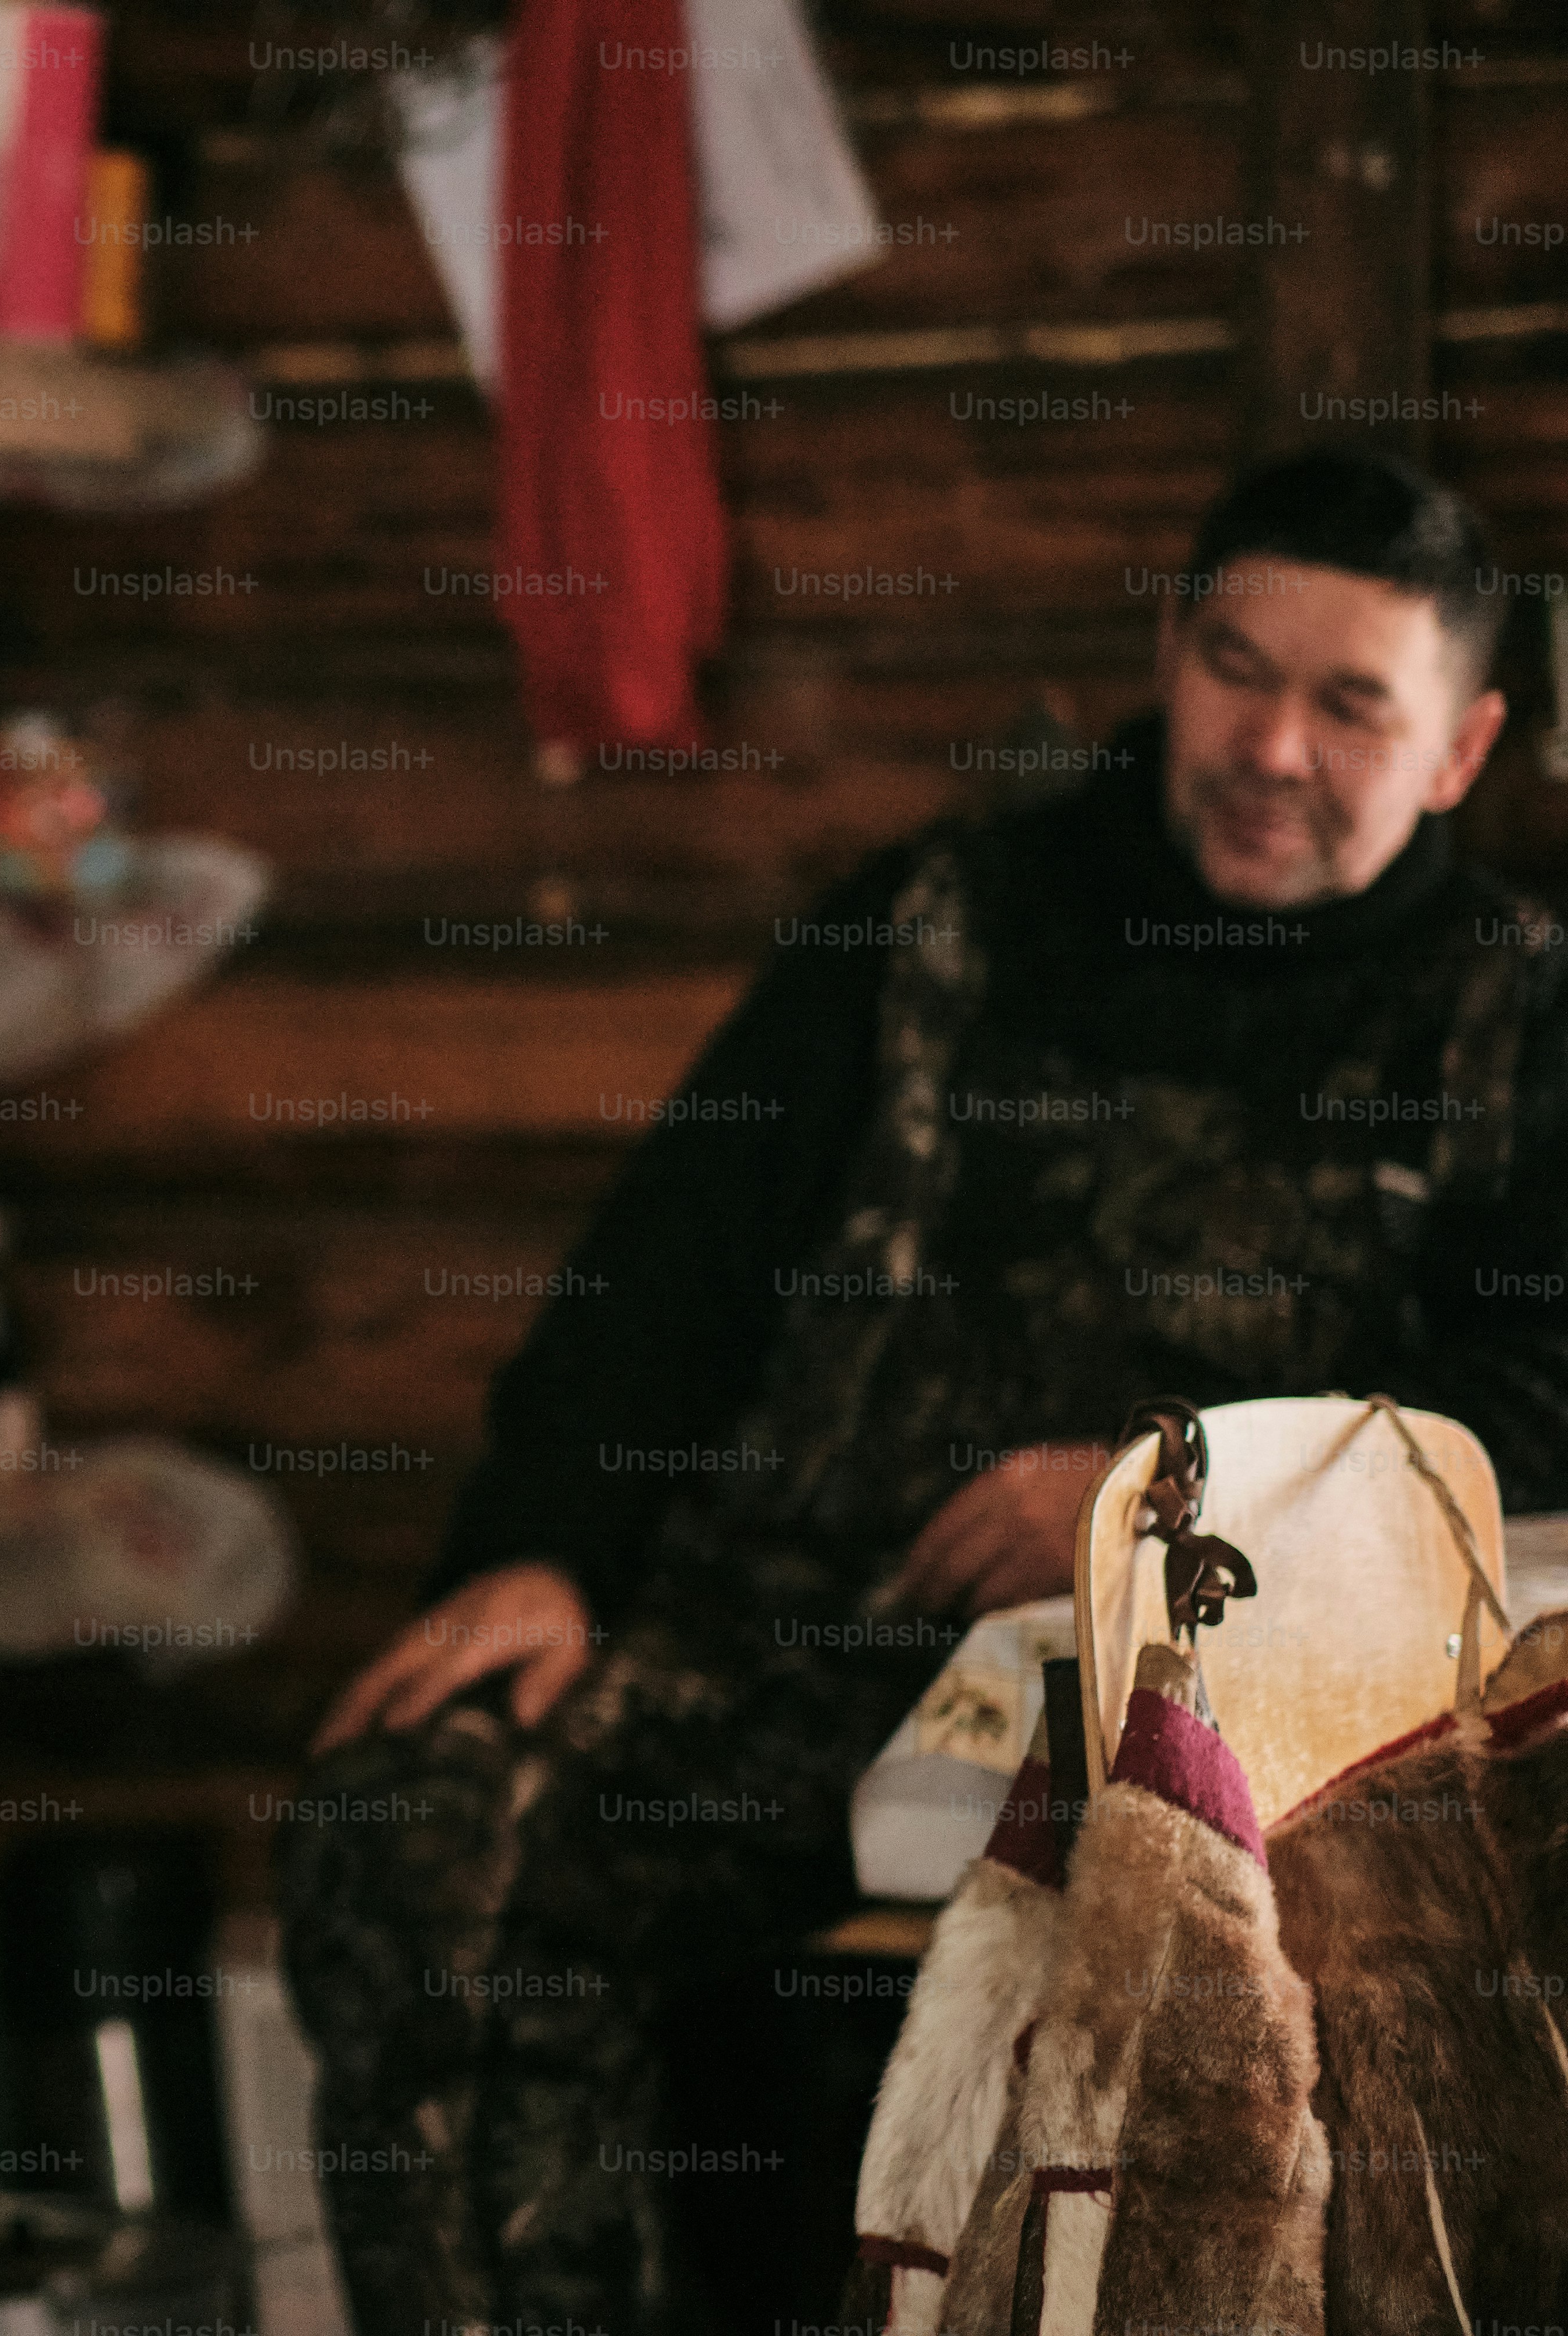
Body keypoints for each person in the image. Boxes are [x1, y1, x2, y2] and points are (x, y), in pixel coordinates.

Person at [276, 444, 1568, 2330]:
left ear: (1460, 750)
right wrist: (541, 1547)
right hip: (795, 1634)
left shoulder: (1519, 1010)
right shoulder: (938, 916)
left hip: (1197, 1717)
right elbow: (669, 1271)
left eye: (1350, 705)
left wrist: (1155, 1492)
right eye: (1235, 668)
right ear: (1168, 649)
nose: (1273, 747)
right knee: (410, 1839)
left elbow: (1543, 1383)